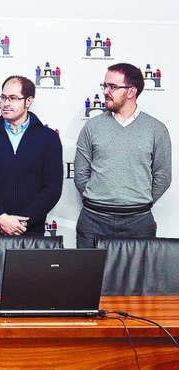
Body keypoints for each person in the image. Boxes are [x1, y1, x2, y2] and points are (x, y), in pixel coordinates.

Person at [74, 63, 172, 248]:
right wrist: (100, 198)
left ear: (131, 91)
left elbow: (163, 176)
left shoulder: (156, 129)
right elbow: (80, 174)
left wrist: (136, 201)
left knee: (137, 277)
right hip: (93, 220)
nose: (106, 91)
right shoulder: (92, 127)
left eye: (113, 86)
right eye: (105, 86)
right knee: (88, 277)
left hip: (138, 223)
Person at [0, 75, 63, 235]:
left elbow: (52, 188)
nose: (5, 104)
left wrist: (23, 222)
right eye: (3, 98)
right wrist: (1, 218)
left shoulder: (48, 138)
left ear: (28, 101)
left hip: (30, 230)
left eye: (13, 98)